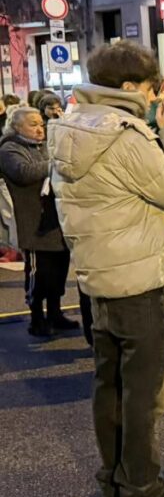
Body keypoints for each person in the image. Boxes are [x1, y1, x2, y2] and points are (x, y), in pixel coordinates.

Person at [48, 41, 164, 497]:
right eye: (152, 89)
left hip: (98, 278)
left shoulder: (68, 127)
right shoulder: (124, 136)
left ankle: (114, 481)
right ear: (131, 87)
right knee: (145, 395)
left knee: (110, 386)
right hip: (141, 281)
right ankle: (142, 489)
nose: (156, 97)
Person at [0, 107, 77, 337]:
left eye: (40, 124)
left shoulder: (44, 146)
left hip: (56, 221)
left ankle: (55, 313)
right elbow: (23, 172)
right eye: (33, 124)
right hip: (33, 223)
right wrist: (55, 164)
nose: (39, 129)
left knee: (59, 271)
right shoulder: (9, 148)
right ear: (17, 127)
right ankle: (36, 318)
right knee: (39, 274)